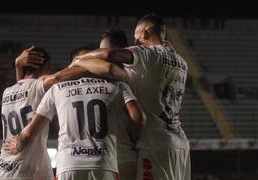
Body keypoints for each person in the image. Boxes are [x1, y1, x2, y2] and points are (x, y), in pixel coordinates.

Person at [71, 14, 190, 180]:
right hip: (180, 143)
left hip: (154, 143)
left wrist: (80, 59)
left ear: (145, 33)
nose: (136, 43)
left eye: (136, 38)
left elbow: (108, 55)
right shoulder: (181, 61)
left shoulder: (147, 54)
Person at [0, 45, 103, 180]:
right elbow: (57, 78)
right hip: (27, 169)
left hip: (3, 168)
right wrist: (94, 65)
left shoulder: (7, 92)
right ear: (45, 67)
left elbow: (25, 89)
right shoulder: (38, 86)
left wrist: (18, 65)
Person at [3, 76, 144, 179]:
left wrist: (21, 140)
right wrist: (134, 136)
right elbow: (138, 118)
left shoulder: (57, 88)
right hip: (104, 164)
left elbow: (31, 129)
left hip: (68, 166)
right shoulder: (116, 85)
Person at [99, 27, 139, 180]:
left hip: (113, 158)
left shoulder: (121, 80)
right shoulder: (136, 75)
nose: (100, 55)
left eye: (103, 51)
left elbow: (137, 117)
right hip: (125, 156)